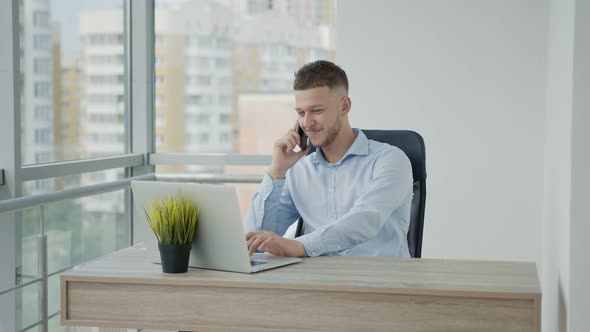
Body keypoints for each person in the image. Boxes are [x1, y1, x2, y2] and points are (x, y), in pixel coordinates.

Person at [243, 60, 413, 258]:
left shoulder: (390, 160)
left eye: (316, 110)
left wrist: (301, 246)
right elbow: (255, 240)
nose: (306, 122)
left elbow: (366, 220)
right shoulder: (299, 170)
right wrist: (277, 172)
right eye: (300, 113)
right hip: (318, 282)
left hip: (378, 283)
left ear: (344, 106)